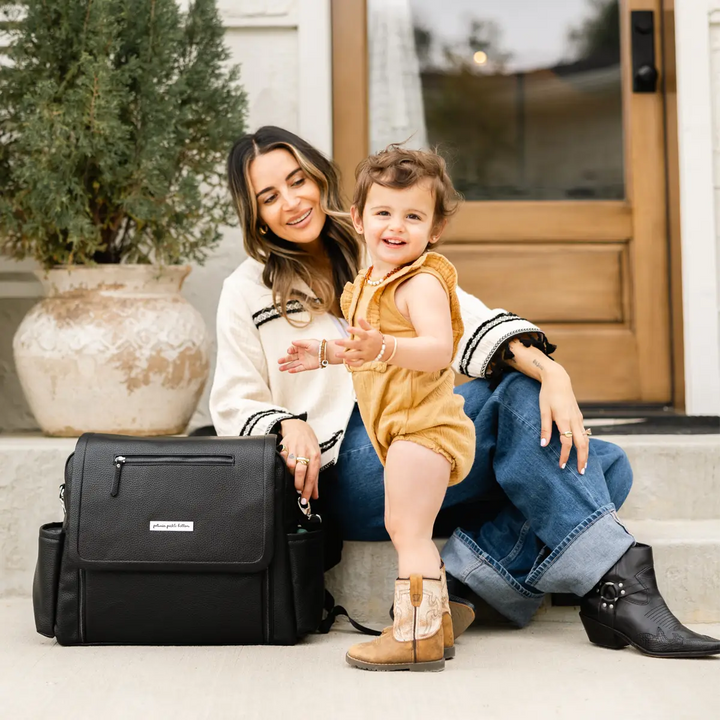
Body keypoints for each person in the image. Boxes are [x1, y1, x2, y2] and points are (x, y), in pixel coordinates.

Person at [211, 125, 720, 659]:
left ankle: (462, 590)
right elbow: (232, 401)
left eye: (298, 181)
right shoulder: (247, 289)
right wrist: (286, 423)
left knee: (603, 462)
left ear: (320, 178)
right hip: (346, 470)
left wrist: (552, 373)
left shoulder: (379, 240)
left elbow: (465, 319)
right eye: (269, 196)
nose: (291, 202)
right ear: (254, 213)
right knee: (526, 415)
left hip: (411, 445)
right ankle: (618, 586)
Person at [277, 146, 475, 671]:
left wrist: (384, 348)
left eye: (414, 216)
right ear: (359, 220)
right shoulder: (365, 286)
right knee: (405, 525)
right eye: (384, 213)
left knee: (408, 530)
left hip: (426, 428)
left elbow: (437, 349)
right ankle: (438, 621)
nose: (397, 226)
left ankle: (417, 633)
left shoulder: (422, 282)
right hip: (400, 431)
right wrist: (324, 352)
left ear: (434, 229)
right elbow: (365, 351)